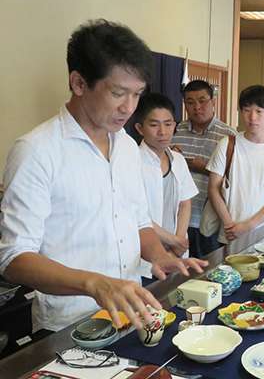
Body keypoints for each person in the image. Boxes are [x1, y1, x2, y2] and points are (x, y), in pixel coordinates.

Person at [0, 20, 207, 333]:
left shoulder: (125, 145)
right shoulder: (36, 150)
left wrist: (159, 255)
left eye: (137, 94)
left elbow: (137, 221)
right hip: (68, 326)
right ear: (79, 83)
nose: (129, 108)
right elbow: (14, 258)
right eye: (118, 93)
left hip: (131, 312)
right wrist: (94, 284)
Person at [207, 85, 264, 243]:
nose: (252, 117)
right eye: (246, 110)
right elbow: (213, 188)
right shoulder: (227, 144)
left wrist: (248, 225)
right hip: (229, 234)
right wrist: (229, 225)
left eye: (259, 111)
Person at [172, 80, 236, 257]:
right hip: (176, 220)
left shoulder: (229, 136)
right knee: (176, 274)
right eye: (190, 102)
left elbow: (236, 179)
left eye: (202, 101)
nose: (197, 107)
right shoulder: (175, 129)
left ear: (213, 101)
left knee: (209, 274)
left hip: (208, 220)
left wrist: (206, 169)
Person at [134, 93, 198, 261]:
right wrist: (174, 240)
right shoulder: (132, 162)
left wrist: (179, 241)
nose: (162, 132)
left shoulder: (178, 159)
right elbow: (135, 215)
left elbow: (185, 203)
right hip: (145, 253)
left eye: (168, 124)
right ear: (140, 128)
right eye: (154, 125)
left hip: (176, 251)